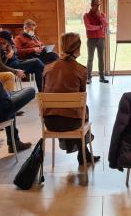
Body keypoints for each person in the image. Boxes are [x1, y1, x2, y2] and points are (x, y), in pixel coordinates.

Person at [42, 32, 100, 165]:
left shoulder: (47, 68)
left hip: (50, 122)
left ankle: (84, 154)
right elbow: (82, 98)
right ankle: (84, 154)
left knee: (68, 111)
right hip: (72, 123)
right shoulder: (81, 70)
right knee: (81, 110)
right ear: (77, 49)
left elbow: (43, 92)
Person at [83, 0, 108, 84]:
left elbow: (105, 24)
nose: (98, 6)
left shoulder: (102, 14)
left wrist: (100, 17)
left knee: (101, 58)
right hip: (91, 40)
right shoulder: (86, 15)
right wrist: (99, 27)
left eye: (99, 5)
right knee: (90, 58)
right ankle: (89, 77)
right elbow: (88, 27)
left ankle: (101, 77)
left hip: (101, 38)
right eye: (96, 5)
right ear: (92, 5)